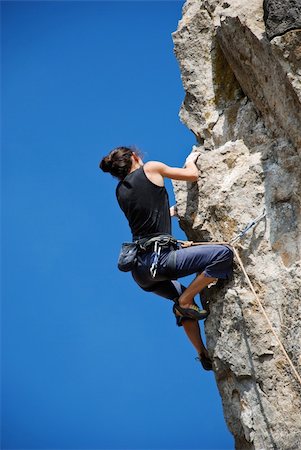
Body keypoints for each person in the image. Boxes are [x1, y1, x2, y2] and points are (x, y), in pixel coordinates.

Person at [100, 146, 233, 371]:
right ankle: (186, 300)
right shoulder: (151, 168)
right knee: (223, 253)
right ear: (135, 157)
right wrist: (191, 160)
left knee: (178, 296)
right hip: (160, 260)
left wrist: (170, 211)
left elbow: (146, 214)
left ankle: (202, 353)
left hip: (141, 271)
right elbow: (193, 176)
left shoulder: (120, 191)